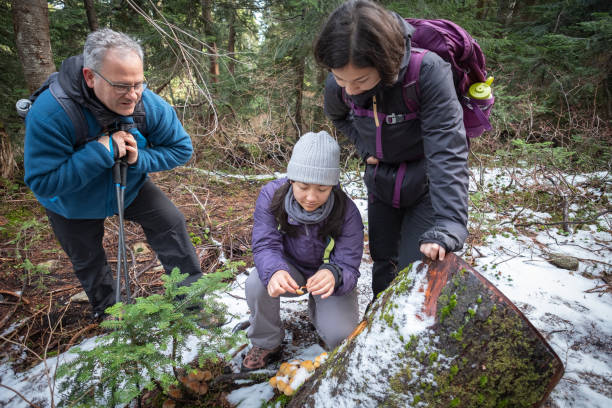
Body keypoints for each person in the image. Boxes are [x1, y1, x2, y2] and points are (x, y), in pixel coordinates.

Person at [24, 29, 202, 320]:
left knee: (170, 223)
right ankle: (111, 317)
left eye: (138, 83)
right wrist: (100, 153)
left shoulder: (147, 105)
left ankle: (191, 307)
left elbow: (181, 149)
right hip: (70, 202)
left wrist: (139, 158)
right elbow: (43, 183)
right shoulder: (51, 112)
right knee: (88, 259)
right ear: (91, 77)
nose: (132, 95)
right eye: (121, 86)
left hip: (128, 186)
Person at [314, 0, 469, 300]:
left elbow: (447, 149)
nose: (349, 89)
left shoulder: (427, 72)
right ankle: (378, 325)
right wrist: (364, 146)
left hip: (425, 183)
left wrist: (449, 222)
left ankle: (413, 330)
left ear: (385, 63)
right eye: (340, 78)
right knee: (383, 260)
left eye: (359, 80)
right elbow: (339, 116)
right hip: (380, 182)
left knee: (416, 267)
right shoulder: (341, 84)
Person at [242, 131, 364, 371]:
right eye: (303, 187)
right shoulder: (271, 196)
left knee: (340, 337)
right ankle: (266, 341)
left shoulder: (347, 211)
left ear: (333, 186)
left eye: (322, 189)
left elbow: (349, 263)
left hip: (327, 275)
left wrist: (334, 274)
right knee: (257, 282)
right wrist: (275, 271)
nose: (311, 197)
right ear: (291, 180)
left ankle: (321, 311)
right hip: (290, 270)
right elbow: (265, 243)